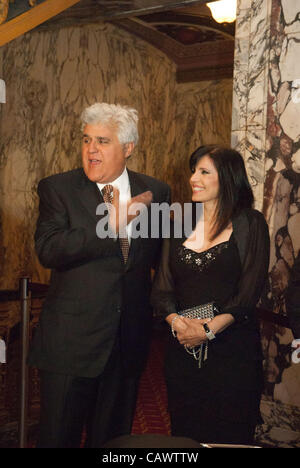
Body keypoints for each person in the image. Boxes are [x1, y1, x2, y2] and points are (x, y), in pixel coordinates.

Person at [28, 102, 171, 448]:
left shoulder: (156, 192)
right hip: (70, 347)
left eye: (103, 141)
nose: (91, 150)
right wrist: (112, 225)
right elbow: (49, 250)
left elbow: (161, 262)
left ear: (128, 148)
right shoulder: (57, 189)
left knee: (113, 444)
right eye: (86, 140)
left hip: (127, 346)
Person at [151, 145, 270, 445]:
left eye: (204, 172)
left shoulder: (251, 223)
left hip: (233, 355)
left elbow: (248, 292)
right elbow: (162, 289)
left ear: (228, 179)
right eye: (194, 170)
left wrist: (208, 331)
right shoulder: (177, 223)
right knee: (186, 435)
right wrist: (179, 324)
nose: (194, 178)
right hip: (182, 354)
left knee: (230, 436)